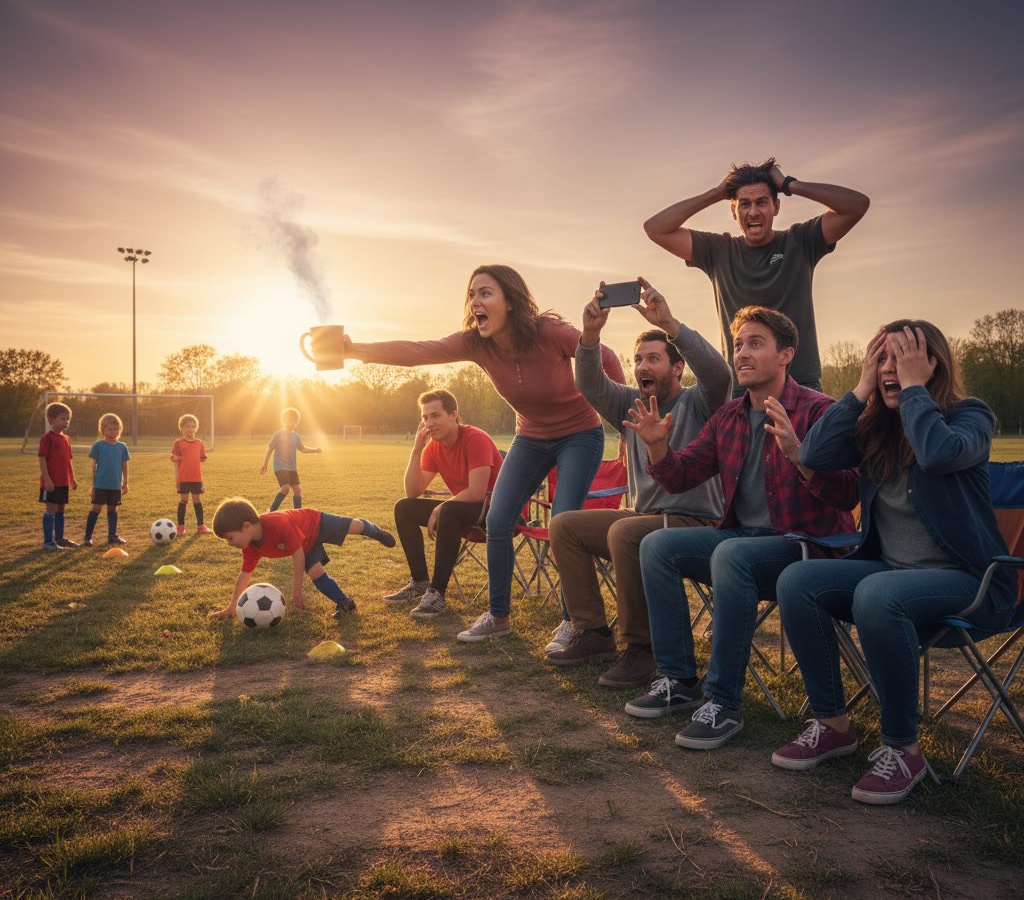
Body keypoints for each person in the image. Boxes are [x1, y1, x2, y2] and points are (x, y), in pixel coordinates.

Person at [772, 321, 1015, 805]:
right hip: (889, 572)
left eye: (901, 357)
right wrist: (861, 387)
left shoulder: (971, 416)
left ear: (931, 364)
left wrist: (913, 391)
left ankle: (904, 750)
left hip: (971, 582)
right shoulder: (875, 430)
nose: (890, 368)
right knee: (798, 580)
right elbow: (814, 453)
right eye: (881, 358)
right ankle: (832, 724)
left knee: (877, 594)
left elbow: (939, 454)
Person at [344, 265, 625, 644]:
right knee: (498, 519)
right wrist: (356, 350)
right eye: (472, 294)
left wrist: (625, 419)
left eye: (486, 293)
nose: (475, 301)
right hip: (530, 437)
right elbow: (420, 351)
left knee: (562, 525)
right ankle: (498, 615)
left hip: (579, 435)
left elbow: (606, 357)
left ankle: (573, 621)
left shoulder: (550, 333)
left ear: (510, 300)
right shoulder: (476, 343)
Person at [623, 306, 858, 749]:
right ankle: (678, 680)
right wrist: (657, 447)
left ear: (786, 354)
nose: (742, 354)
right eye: (738, 345)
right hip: (742, 541)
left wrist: (800, 455)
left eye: (755, 344)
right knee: (657, 545)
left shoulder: (819, 411)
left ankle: (723, 703)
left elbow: (848, 493)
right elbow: (681, 476)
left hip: (805, 545)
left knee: (731, 554)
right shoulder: (728, 417)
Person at [545, 279, 732, 686]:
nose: (643, 366)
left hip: (695, 521)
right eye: (638, 360)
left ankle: (641, 650)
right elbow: (589, 383)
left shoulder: (700, 402)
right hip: (645, 515)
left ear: (677, 367)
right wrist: (589, 335)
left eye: (654, 359)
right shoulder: (629, 404)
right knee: (565, 525)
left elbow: (719, 374)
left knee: (626, 533)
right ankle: (593, 632)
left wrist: (670, 325)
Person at [643, 158, 869, 391]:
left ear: (776, 207)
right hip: (743, 388)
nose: (753, 212)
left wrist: (788, 184)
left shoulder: (800, 241)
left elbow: (857, 205)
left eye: (761, 202)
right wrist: (717, 192)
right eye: (744, 204)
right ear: (734, 211)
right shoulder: (718, 251)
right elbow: (656, 229)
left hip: (800, 386)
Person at [385, 389, 503, 618]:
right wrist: (416, 449)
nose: (429, 423)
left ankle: (437, 593)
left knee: (448, 509)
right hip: (460, 510)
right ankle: (420, 583)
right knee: (404, 508)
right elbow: (413, 491)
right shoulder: (433, 447)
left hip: (496, 510)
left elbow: (477, 492)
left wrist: (441, 507)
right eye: (425, 417)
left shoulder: (475, 438)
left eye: (436, 416)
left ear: (453, 415)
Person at [211, 497, 396, 620]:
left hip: (315, 523)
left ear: (246, 526)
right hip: (305, 544)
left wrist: (297, 592)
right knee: (315, 572)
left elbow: (297, 555)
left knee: (353, 526)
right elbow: (245, 574)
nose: (229, 544)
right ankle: (345, 603)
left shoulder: (278, 523)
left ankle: (373, 530)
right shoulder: (250, 546)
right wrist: (232, 607)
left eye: (230, 538)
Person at [83, 413, 131, 547]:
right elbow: (93, 466)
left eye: (116, 429)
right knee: (96, 509)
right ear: (102, 430)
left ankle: (112, 537)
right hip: (100, 485)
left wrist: (125, 483)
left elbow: (125, 466)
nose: (113, 432)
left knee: (112, 510)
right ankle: (87, 538)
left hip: (115, 485)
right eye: (109, 429)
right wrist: (93, 486)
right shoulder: (98, 445)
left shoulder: (122, 446)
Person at [260, 407, 321, 511]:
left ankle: (298, 513)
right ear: (284, 420)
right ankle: (271, 512)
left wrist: (315, 450)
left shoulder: (295, 436)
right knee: (285, 488)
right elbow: (270, 450)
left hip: (292, 467)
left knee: (297, 490)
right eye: (289, 420)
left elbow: (303, 449)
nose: (292, 423)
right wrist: (265, 464)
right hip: (280, 466)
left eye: (294, 421)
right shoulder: (278, 435)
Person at [38, 401, 78, 550]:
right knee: (51, 510)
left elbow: (68, 460)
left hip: (63, 482)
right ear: (51, 420)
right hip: (51, 482)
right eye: (62, 418)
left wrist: (72, 478)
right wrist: (47, 479)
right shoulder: (47, 438)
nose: (66, 421)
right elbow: (42, 458)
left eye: (68, 419)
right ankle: (48, 542)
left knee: (61, 509)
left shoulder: (66, 438)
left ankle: (60, 539)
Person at [171, 413, 210, 535]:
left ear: (196, 428)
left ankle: (201, 526)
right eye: (187, 426)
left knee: (197, 500)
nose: (190, 429)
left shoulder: (199, 443)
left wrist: (200, 458)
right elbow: (174, 459)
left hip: (196, 478)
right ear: (182, 428)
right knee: (183, 500)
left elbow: (202, 458)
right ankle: (180, 527)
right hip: (183, 477)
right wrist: (177, 478)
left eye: (193, 426)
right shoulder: (178, 443)